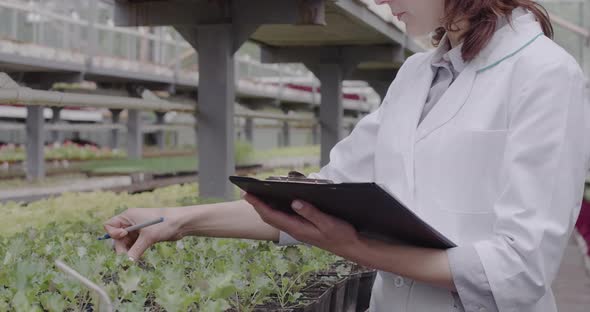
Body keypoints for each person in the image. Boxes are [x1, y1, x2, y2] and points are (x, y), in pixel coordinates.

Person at [103, 0, 590, 311]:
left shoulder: (544, 73)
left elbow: (519, 271)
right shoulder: (418, 74)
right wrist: (178, 220)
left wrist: (352, 247)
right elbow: (320, 197)